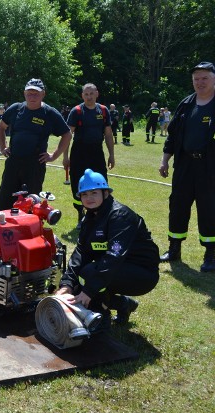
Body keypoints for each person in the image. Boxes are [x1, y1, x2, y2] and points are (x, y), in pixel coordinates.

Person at [56, 169, 159, 329]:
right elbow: (81, 252)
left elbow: (114, 256)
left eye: (94, 193)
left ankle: (100, 319)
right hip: (117, 267)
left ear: (105, 193)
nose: (89, 198)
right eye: (84, 195)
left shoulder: (120, 216)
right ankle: (123, 304)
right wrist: (67, 283)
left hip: (142, 273)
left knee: (89, 275)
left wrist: (89, 291)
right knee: (77, 285)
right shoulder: (89, 217)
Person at [159, 61, 215, 272]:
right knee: (178, 206)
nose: (200, 82)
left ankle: (211, 254)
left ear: (214, 79)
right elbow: (172, 135)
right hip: (184, 164)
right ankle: (174, 249)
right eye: (196, 79)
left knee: (209, 209)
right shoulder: (186, 104)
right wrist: (165, 159)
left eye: (205, 78)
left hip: (210, 167)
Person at [0, 78, 72, 210]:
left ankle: (29, 229)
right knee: (4, 201)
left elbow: (67, 134)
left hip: (34, 165)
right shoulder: (16, 109)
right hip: (13, 162)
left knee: (30, 203)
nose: (32, 96)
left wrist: (54, 155)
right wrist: (2, 147)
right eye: (29, 93)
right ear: (24, 94)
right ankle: (4, 230)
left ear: (43, 94)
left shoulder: (49, 113)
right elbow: (0, 127)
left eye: (36, 93)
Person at [65, 83, 116, 228]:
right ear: (82, 96)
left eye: (91, 93)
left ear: (97, 94)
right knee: (77, 184)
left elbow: (108, 134)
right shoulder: (77, 111)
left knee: (101, 183)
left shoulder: (104, 111)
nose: (89, 97)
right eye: (86, 94)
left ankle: (102, 215)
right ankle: (81, 214)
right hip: (79, 153)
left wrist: (111, 155)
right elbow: (68, 136)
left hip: (97, 153)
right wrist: (65, 157)